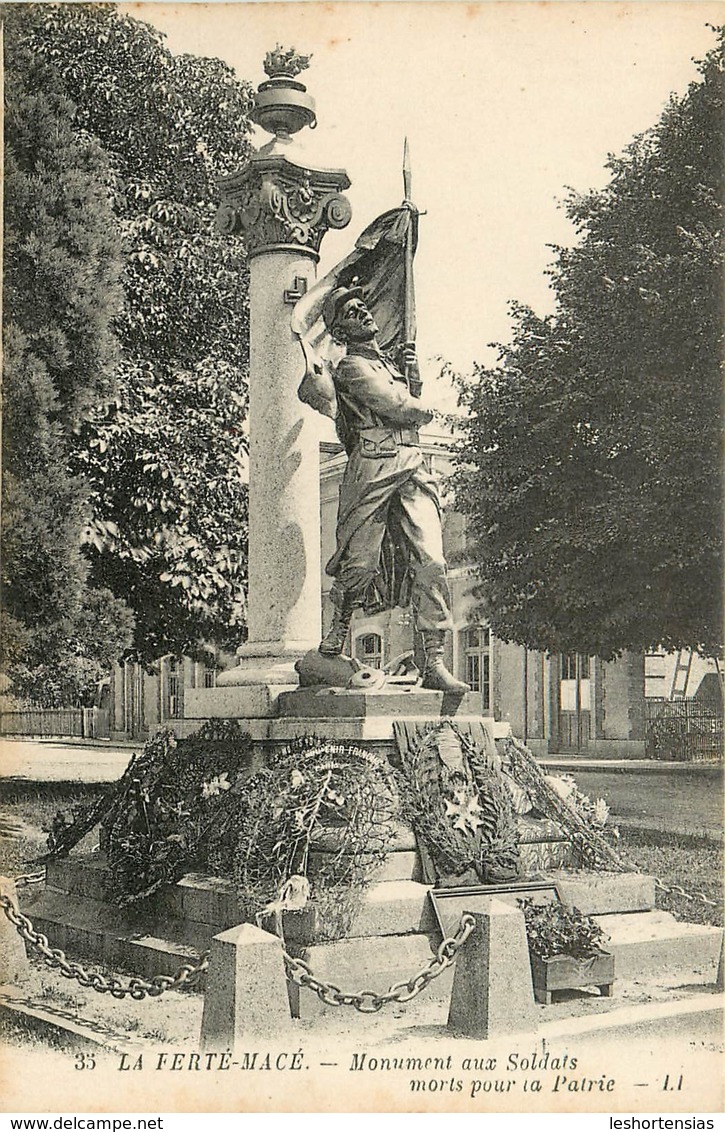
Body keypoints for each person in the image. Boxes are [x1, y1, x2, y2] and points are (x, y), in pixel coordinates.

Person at [318, 285, 469, 694]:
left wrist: (412, 377)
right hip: (373, 466)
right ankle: (337, 631)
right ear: (339, 330)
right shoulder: (351, 367)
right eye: (351, 312)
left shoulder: (389, 364)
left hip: (412, 466)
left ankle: (433, 659)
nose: (364, 313)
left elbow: (404, 405)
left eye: (364, 307)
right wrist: (418, 402)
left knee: (432, 561)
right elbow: (399, 408)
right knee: (362, 560)